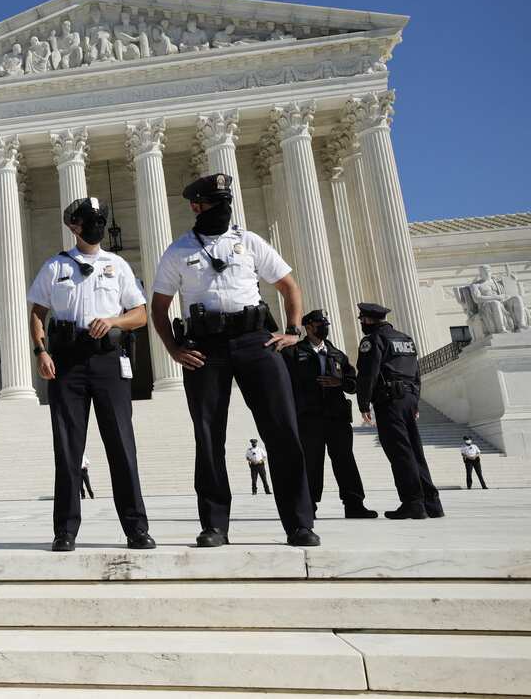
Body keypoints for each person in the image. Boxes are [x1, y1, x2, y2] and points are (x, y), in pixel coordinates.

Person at [150, 173, 319, 548]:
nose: (223, 209)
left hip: (256, 340)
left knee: (283, 431)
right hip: (205, 348)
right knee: (209, 437)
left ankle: (300, 524)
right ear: (196, 207)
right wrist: (173, 349)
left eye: (226, 202)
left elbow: (289, 285)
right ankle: (214, 525)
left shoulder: (249, 242)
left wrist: (293, 330)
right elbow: (159, 306)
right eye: (214, 203)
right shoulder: (178, 251)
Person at [28, 197, 155, 552]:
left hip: (108, 361)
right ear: (75, 226)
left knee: (121, 446)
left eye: (101, 218)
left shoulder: (117, 265)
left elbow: (141, 314)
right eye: (90, 220)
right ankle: (65, 530)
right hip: (67, 362)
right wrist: (41, 352)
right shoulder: (56, 267)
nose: (97, 225)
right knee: (68, 449)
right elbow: (38, 312)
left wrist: (114, 320)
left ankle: (136, 528)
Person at [284, 309, 378, 519]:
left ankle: (354, 504)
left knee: (345, 461)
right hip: (309, 418)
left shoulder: (337, 354)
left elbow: (354, 384)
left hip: (337, 417)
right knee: (311, 463)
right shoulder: (292, 353)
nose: (324, 327)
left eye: (325, 324)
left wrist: (340, 382)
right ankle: (308, 507)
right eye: (319, 324)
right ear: (308, 327)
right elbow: (283, 386)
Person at [355, 303, 444, 520]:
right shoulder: (405, 339)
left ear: (367, 320)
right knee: (415, 451)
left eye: (362, 321)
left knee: (400, 453)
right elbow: (416, 373)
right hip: (409, 397)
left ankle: (413, 503)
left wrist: (364, 404)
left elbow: (368, 373)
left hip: (389, 401)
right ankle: (432, 503)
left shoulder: (373, 340)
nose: (362, 325)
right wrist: (415, 403)